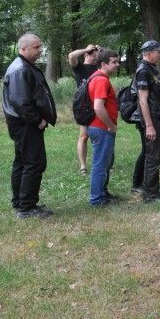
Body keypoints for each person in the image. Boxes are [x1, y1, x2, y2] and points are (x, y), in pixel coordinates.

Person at [2, 33, 57, 218]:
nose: (40, 50)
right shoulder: (20, 69)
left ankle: (20, 202)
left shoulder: (24, 66)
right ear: (23, 48)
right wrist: (38, 120)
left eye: (40, 46)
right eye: (36, 47)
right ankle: (26, 208)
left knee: (22, 162)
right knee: (34, 163)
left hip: (22, 123)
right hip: (25, 124)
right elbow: (21, 102)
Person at [131, 40, 160, 201]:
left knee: (155, 154)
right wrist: (149, 125)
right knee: (153, 155)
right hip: (152, 119)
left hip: (158, 116)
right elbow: (142, 100)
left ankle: (151, 188)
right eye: (158, 52)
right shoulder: (143, 71)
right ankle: (151, 194)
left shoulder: (152, 69)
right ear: (148, 53)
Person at [86, 49, 121, 206]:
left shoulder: (99, 78)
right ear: (103, 64)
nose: (117, 65)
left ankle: (103, 193)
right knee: (100, 164)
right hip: (101, 129)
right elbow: (98, 107)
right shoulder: (101, 80)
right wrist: (111, 126)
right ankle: (97, 199)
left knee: (106, 163)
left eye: (118, 61)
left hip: (100, 128)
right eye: (114, 62)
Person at [67, 43, 100, 175]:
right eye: (94, 55)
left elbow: (111, 59)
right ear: (87, 54)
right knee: (84, 136)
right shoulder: (79, 67)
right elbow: (71, 55)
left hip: (98, 103)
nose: (97, 57)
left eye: (98, 55)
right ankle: (83, 166)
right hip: (84, 106)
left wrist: (101, 50)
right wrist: (86, 49)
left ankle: (104, 163)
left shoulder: (100, 68)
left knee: (101, 135)